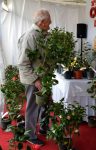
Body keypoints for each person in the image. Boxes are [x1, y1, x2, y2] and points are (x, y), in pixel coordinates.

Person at [18, 9, 52, 146]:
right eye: (49, 22)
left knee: (45, 103)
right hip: (32, 79)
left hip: (43, 77)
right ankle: (30, 135)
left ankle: (43, 128)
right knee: (33, 106)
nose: (50, 25)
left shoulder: (42, 35)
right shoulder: (30, 36)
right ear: (42, 22)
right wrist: (36, 80)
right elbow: (23, 63)